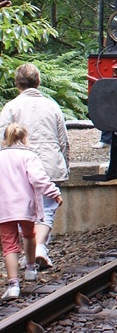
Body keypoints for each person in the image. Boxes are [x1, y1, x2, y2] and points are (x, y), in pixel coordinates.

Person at [0, 63, 69, 271]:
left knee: (23, 212)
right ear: (38, 82)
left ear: (17, 83)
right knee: (47, 209)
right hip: (49, 161)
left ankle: (31, 253)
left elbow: (2, 136)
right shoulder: (52, 106)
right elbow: (63, 139)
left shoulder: (11, 106)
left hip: (18, 167)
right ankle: (39, 248)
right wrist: (64, 164)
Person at [0, 123, 62, 300]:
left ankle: (13, 285)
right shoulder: (29, 156)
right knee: (29, 234)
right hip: (25, 206)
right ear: (25, 138)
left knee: (9, 245)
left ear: (5, 139)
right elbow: (38, 179)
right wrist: (54, 193)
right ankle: (30, 268)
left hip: (3, 208)